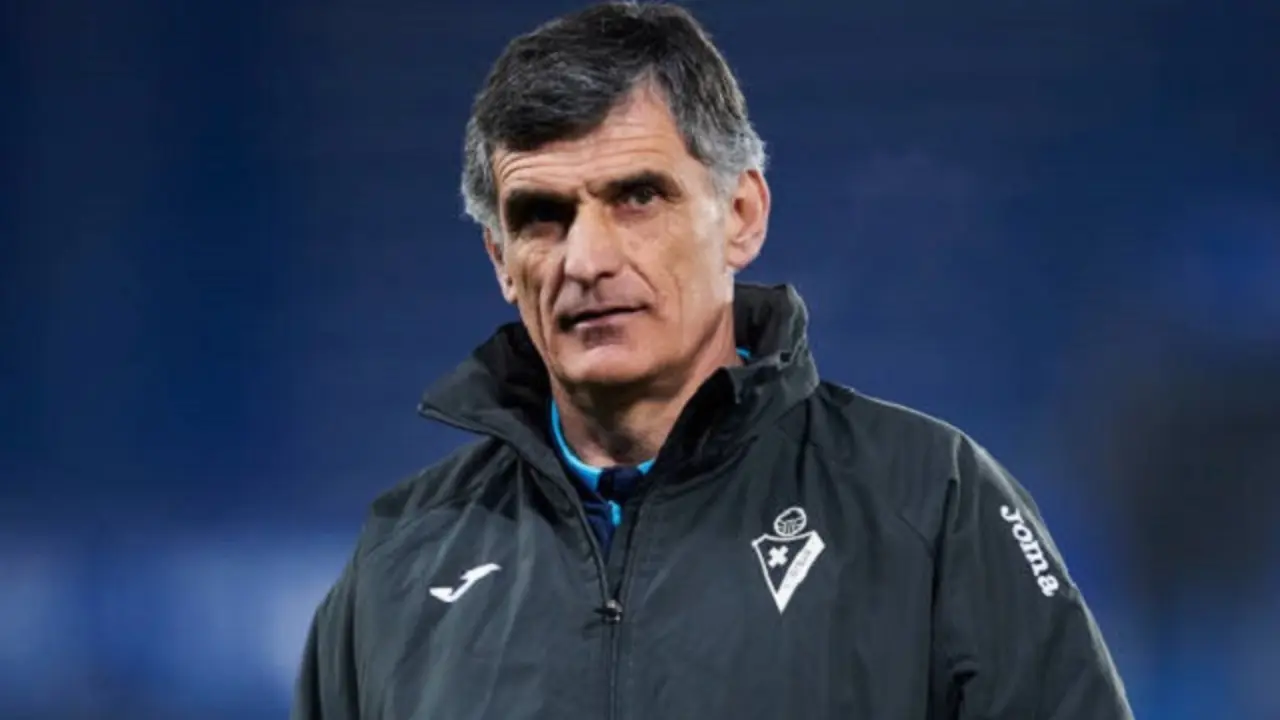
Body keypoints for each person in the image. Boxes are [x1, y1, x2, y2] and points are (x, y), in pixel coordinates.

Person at [292, 3, 1133, 718]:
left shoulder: (931, 502)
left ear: (741, 214)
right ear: (501, 260)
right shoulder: (400, 560)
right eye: (542, 216)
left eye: (638, 196)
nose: (587, 259)